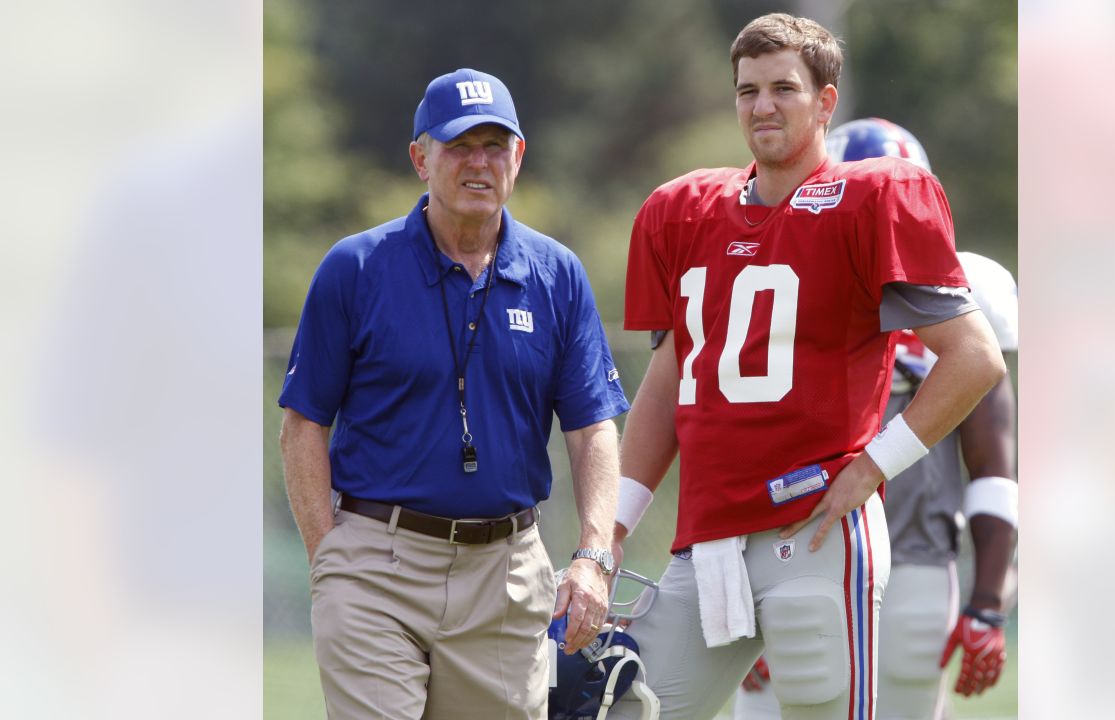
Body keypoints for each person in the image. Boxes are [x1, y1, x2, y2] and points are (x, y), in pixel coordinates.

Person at [608, 15, 1006, 720]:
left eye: (784, 88)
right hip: (707, 542)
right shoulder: (683, 212)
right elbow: (670, 382)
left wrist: (872, 465)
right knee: (617, 707)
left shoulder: (871, 198)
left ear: (825, 101)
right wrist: (608, 531)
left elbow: (973, 359)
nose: (763, 106)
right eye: (748, 90)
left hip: (814, 533)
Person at [277, 67, 630, 720]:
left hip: (506, 573)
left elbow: (592, 429)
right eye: (459, 146)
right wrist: (329, 558)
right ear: (421, 158)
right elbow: (303, 425)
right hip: (375, 565)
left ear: (518, 157)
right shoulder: (355, 268)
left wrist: (591, 556)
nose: (479, 163)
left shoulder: (557, 276)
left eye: (495, 146)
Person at [735, 119, 1019, 720]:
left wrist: (989, 600)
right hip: (795, 552)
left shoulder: (967, 296)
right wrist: (741, 580)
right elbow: (726, 440)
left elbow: (993, 466)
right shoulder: (771, 281)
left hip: (914, 558)